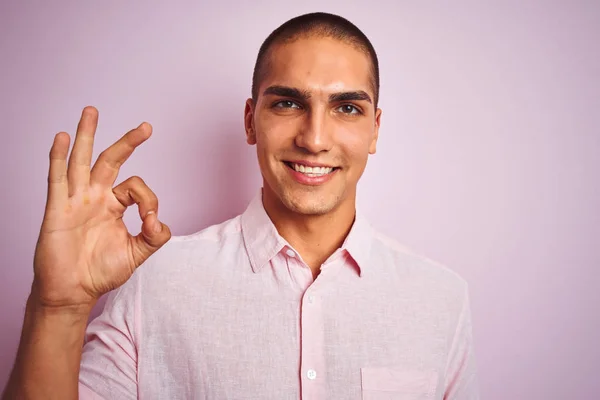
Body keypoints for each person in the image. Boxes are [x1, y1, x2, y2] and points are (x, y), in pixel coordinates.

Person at [3, 12, 478, 400]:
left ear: (375, 129)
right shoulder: (153, 283)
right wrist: (57, 307)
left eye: (346, 108)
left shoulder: (441, 300)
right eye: (288, 104)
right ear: (251, 121)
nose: (313, 139)